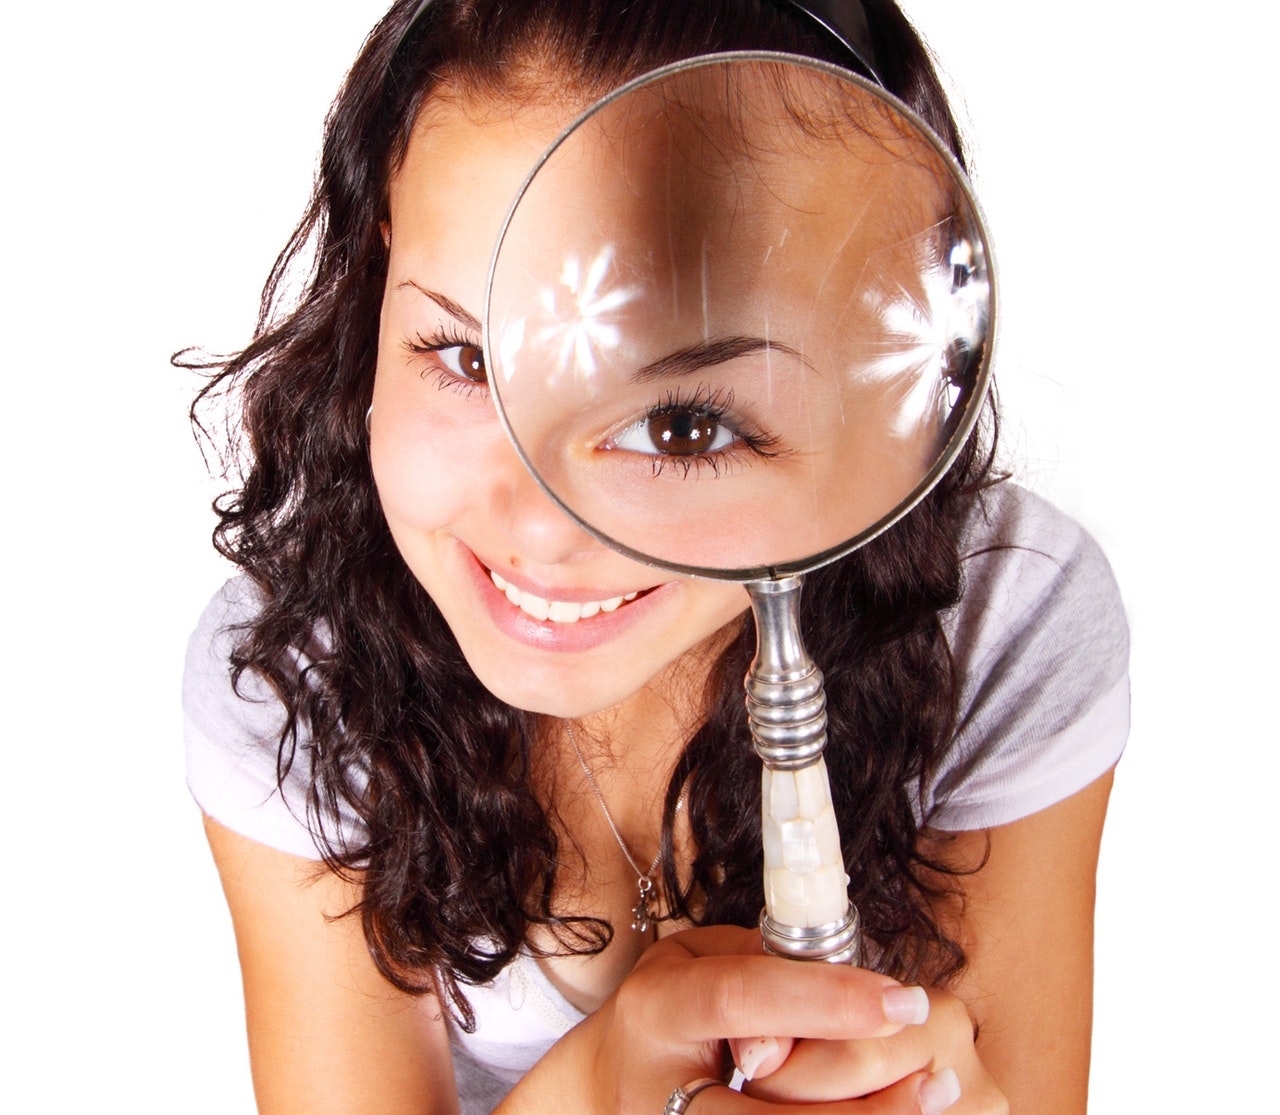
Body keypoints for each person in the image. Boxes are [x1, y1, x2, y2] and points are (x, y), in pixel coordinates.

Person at [183, 2, 1128, 1113]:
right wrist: (595, 1089)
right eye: (465, 356)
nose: (538, 521)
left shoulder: (1001, 612)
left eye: (683, 425)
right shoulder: (297, 667)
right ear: (374, 279)